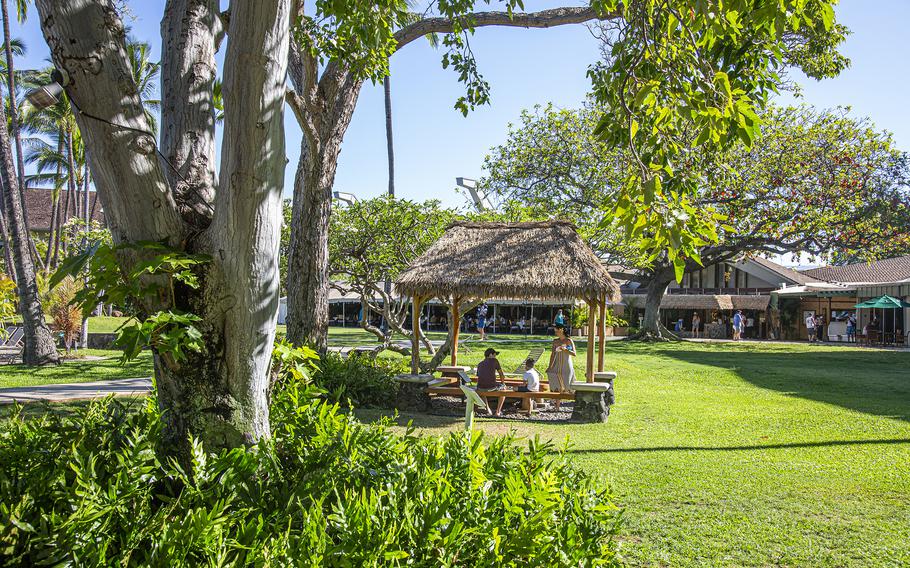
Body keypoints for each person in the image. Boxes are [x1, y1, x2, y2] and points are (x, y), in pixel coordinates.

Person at [545, 324, 576, 411]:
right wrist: (550, 366)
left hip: (566, 366)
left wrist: (565, 349)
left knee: (568, 385)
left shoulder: (569, 340)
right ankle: (557, 407)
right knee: (554, 380)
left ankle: (575, 404)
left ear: (561, 329)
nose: (555, 332)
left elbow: (574, 353)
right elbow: (553, 354)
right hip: (557, 365)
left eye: (556, 330)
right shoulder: (555, 341)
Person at [476, 347, 507, 416]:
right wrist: (503, 383)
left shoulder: (480, 364)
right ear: (490, 355)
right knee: (504, 391)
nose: (495, 356)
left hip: (480, 387)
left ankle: (488, 410)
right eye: (494, 354)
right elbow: (501, 374)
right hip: (492, 387)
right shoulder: (495, 361)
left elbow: (479, 376)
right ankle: (498, 412)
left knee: (482, 392)